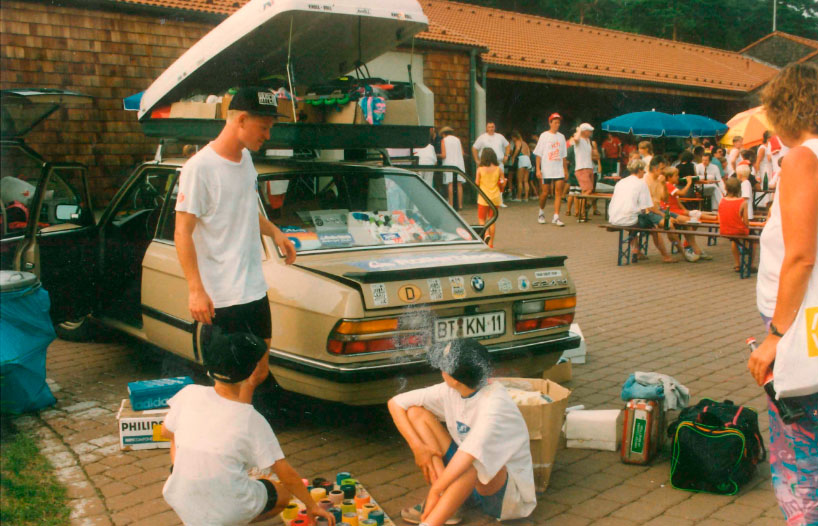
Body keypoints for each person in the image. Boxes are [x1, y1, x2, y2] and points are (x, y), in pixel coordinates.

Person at [174, 87, 297, 415]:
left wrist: (275, 233)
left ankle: (240, 437)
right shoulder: (199, 168)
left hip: (254, 289)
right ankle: (227, 448)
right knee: (227, 383)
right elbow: (182, 233)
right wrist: (195, 290)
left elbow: (244, 207)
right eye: (264, 127)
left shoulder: (245, 161)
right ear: (241, 119)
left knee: (258, 372)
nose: (268, 136)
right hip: (222, 297)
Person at [161, 329, 337, 526]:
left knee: (178, 438)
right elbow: (286, 474)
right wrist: (312, 505)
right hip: (229, 512)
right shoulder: (251, 419)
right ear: (251, 372)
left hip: (180, 497)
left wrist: (182, 466)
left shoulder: (189, 393)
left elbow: (166, 432)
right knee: (282, 494)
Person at [747, 63, 818, 526]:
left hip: (803, 331)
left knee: (800, 464)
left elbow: (800, 257)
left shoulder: (804, 159)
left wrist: (775, 334)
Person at [388, 339, 536, 526]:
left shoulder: (495, 405)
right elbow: (395, 403)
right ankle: (448, 502)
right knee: (416, 413)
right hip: (469, 475)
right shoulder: (453, 389)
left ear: (454, 380)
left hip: (505, 497)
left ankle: (433, 518)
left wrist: (434, 492)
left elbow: (469, 456)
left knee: (475, 461)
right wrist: (419, 448)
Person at [608, 158, 674, 263]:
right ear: (639, 170)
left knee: (634, 224)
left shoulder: (621, 182)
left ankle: (636, 251)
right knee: (653, 228)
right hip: (629, 219)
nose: (644, 172)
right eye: (643, 170)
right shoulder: (641, 183)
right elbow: (646, 206)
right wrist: (661, 214)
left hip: (614, 217)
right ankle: (665, 256)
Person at [662, 167, 715, 262]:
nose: (678, 177)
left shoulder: (672, 185)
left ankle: (692, 246)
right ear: (669, 177)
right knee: (692, 221)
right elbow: (682, 193)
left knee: (694, 216)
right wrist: (689, 182)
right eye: (676, 176)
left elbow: (678, 202)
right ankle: (692, 247)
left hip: (676, 210)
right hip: (671, 211)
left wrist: (686, 211)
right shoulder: (668, 185)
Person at [534, 113, 568, 226]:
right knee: (545, 193)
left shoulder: (561, 137)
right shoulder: (544, 136)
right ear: (550, 123)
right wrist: (538, 169)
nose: (557, 125)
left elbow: (563, 155)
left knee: (558, 192)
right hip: (546, 169)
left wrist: (565, 170)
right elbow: (538, 154)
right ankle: (541, 212)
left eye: (559, 123)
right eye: (555, 123)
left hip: (558, 169)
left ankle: (556, 216)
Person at [472, 122, 510, 207]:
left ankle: (500, 201)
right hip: (486, 163)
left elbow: (507, 145)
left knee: (500, 181)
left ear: (495, 128)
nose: (491, 129)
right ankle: (484, 200)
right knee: (485, 182)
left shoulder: (500, 137)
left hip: (498, 162)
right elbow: (474, 148)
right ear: (486, 128)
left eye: (492, 127)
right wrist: (476, 160)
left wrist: (506, 156)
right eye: (489, 127)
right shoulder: (482, 137)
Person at [474, 149, 505, 248]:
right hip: (495, 198)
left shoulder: (480, 169)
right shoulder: (498, 169)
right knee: (492, 220)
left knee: (481, 220)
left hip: (483, 198)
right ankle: (491, 244)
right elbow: (503, 181)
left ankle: (486, 233)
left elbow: (477, 183)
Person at [718, 178, 750, 272]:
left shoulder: (722, 200)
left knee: (734, 240)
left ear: (726, 188)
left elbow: (720, 217)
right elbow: (746, 222)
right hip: (738, 230)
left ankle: (737, 264)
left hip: (724, 229)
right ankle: (750, 264)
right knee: (753, 239)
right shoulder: (742, 202)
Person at [573, 123, 598, 221]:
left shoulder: (588, 140)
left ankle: (582, 213)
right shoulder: (578, 140)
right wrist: (579, 130)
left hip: (589, 167)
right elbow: (575, 139)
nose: (591, 132)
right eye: (589, 130)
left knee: (586, 191)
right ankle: (582, 213)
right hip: (581, 168)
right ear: (584, 131)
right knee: (588, 190)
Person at [440, 126, 466, 209]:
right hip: (459, 163)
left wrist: (437, 155)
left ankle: (451, 204)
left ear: (443, 134)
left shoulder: (444, 140)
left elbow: (444, 155)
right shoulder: (457, 140)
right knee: (459, 184)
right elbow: (462, 153)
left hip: (449, 163)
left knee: (450, 184)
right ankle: (460, 205)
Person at [510, 130, 532, 202]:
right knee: (525, 181)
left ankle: (519, 197)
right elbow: (528, 153)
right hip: (527, 159)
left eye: (512, 138)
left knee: (519, 180)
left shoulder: (518, 142)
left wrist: (513, 157)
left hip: (521, 158)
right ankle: (526, 197)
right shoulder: (525, 143)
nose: (512, 140)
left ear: (514, 137)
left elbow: (517, 149)